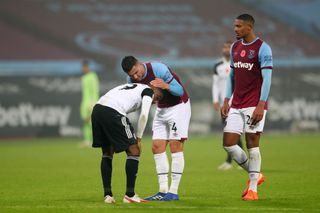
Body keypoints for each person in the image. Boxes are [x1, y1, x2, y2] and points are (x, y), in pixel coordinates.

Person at [121, 56, 191, 201]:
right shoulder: (131, 81)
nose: (135, 76)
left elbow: (179, 90)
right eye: (131, 75)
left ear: (139, 64)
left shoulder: (158, 69)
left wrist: (166, 86)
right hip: (162, 108)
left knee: (175, 145)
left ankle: (173, 192)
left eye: (136, 72)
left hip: (178, 106)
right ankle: (162, 190)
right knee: (156, 146)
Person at [221, 14, 273, 201]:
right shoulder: (235, 47)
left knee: (252, 144)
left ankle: (253, 190)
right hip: (237, 103)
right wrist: (227, 99)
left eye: (239, 26)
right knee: (228, 143)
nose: (235, 29)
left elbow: (267, 78)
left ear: (249, 27)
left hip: (254, 104)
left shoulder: (263, 48)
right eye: (234, 26)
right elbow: (232, 76)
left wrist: (261, 104)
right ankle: (256, 174)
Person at [91, 83, 163, 204]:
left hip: (97, 110)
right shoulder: (148, 91)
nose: (155, 101)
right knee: (134, 150)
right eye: (158, 97)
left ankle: (108, 195)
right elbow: (144, 115)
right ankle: (130, 195)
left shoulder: (134, 86)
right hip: (112, 111)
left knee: (107, 153)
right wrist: (139, 138)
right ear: (154, 88)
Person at [212, 41, 243, 171]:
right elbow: (215, 84)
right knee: (229, 133)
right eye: (224, 47)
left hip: (237, 102)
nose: (226, 49)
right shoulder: (217, 65)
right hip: (224, 105)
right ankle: (232, 161)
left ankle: (236, 161)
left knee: (234, 133)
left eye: (228, 47)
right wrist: (215, 100)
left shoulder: (239, 64)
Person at [80, 59, 100, 147]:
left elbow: (95, 90)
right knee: (85, 121)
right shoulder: (84, 77)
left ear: (88, 67)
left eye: (85, 67)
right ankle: (87, 140)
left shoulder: (93, 76)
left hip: (91, 102)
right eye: (83, 67)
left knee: (92, 122)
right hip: (84, 102)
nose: (84, 68)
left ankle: (96, 140)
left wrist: (93, 102)